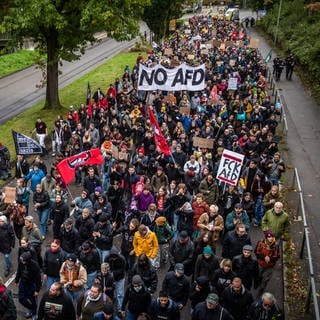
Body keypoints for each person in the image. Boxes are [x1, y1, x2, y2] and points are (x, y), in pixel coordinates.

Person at [15, 251, 42, 319]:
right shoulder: (21, 262)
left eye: (23, 261)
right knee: (21, 299)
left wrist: (37, 290)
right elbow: (19, 271)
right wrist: (16, 280)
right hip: (23, 283)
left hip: (31, 285)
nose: (22, 262)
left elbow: (38, 279)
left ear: (28, 260)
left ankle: (34, 313)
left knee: (33, 300)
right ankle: (31, 309)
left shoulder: (35, 266)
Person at [255, 230, 280, 296]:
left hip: (270, 266)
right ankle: (257, 283)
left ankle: (260, 292)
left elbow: (277, 256)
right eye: (269, 237)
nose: (270, 238)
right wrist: (264, 257)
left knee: (265, 280)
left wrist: (270, 259)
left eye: (271, 237)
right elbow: (256, 252)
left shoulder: (276, 245)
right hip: (260, 264)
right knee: (259, 276)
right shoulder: (260, 243)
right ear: (266, 237)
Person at [104, 248, 126, 313]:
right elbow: (105, 267)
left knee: (120, 294)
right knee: (110, 292)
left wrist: (113, 273)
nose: (114, 259)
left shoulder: (122, 259)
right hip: (111, 278)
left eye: (115, 257)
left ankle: (119, 309)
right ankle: (109, 306)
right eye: (112, 257)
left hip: (120, 278)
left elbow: (123, 270)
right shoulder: (107, 258)